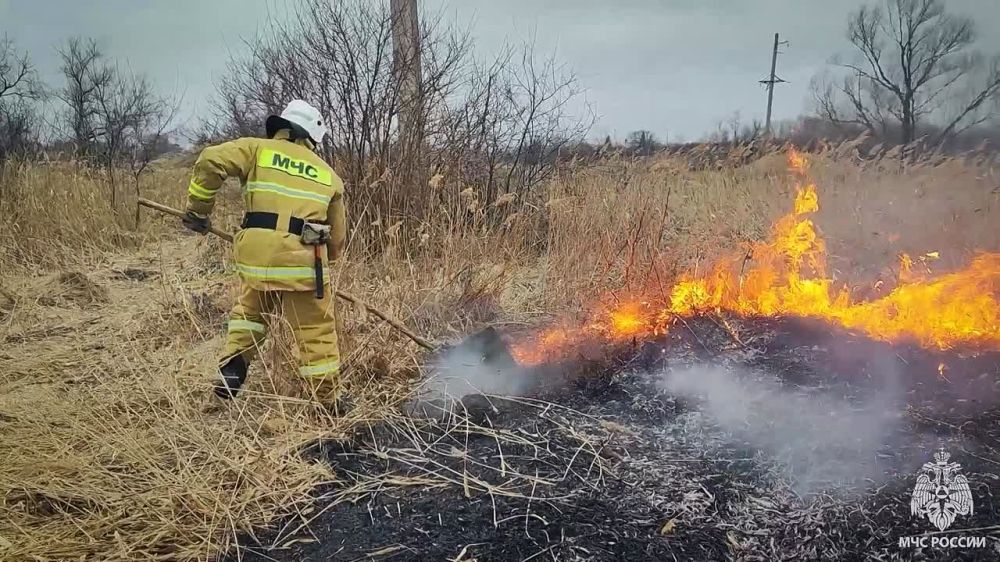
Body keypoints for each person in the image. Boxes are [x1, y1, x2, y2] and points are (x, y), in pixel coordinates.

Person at [182, 100, 348, 410]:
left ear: (281, 127)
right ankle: (328, 402)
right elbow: (336, 240)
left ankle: (232, 369)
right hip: (302, 263)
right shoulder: (329, 176)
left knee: (250, 312)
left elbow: (210, 160)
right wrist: (325, 266)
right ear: (313, 136)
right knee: (315, 330)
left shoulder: (257, 149)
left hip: (256, 259)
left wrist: (198, 211)